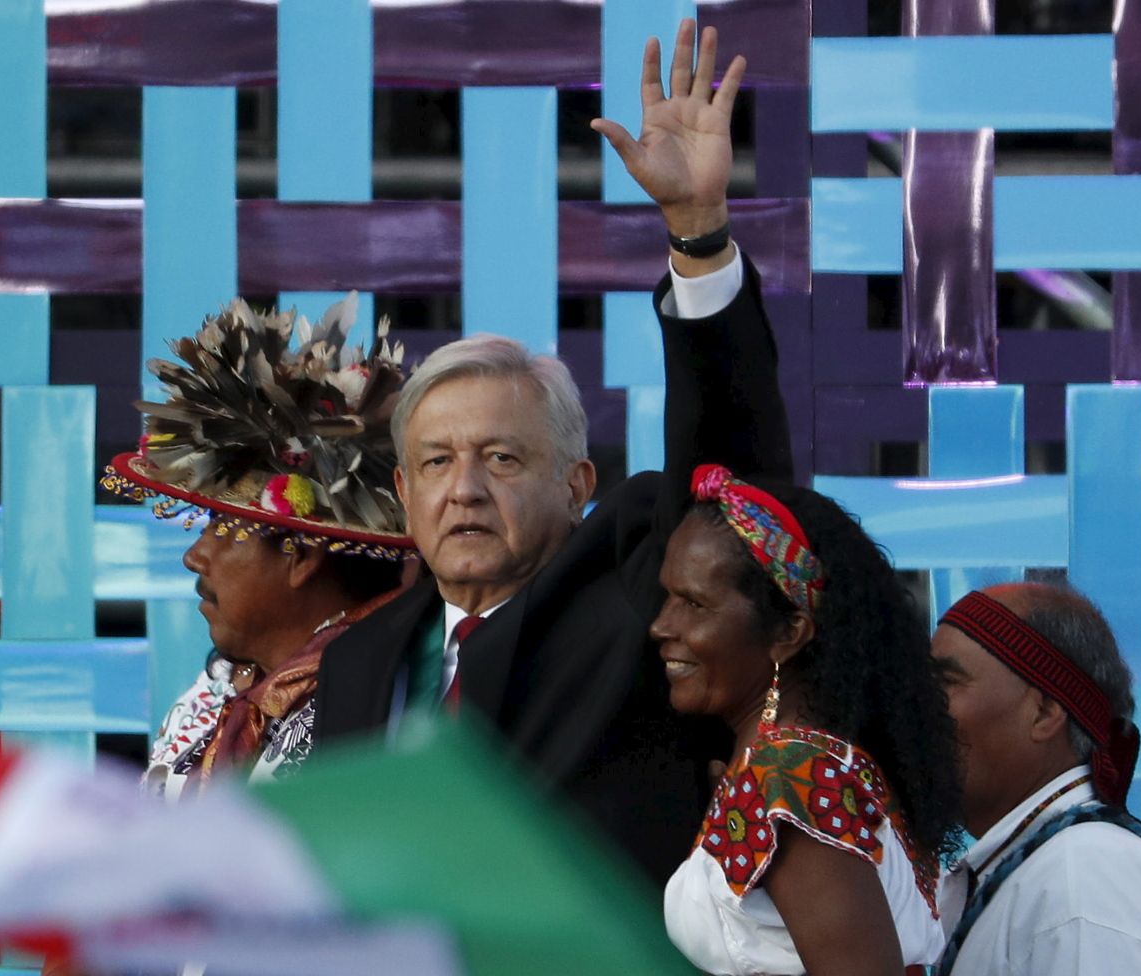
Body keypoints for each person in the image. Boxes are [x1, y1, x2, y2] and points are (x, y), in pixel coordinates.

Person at [309, 20, 791, 880]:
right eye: (435, 462)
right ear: (403, 490)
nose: (463, 490)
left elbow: (735, 482)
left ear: (578, 484)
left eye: (501, 459)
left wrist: (699, 232)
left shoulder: (641, 606)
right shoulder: (357, 663)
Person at [102, 294, 418, 798]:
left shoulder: (383, 708)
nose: (194, 556)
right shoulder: (216, 691)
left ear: (302, 557)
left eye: (222, 528)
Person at [656, 464, 960, 975]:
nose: (661, 624)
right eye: (668, 596)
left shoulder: (791, 777)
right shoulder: (803, 766)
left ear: (789, 632)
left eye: (694, 603)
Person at [930, 583, 1141, 975]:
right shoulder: (1060, 869)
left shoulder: (1084, 876)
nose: (919, 706)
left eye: (945, 683)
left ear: (1043, 713)